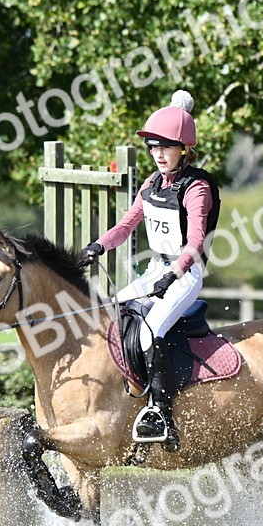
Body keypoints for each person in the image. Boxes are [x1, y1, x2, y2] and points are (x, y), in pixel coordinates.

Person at [76, 89, 221, 450]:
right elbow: (125, 227)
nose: (157, 154)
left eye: (165, 146)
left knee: (149, 331)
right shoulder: (151, 185)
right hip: (157, 269)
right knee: (112, 313)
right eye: (153, 147)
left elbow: (196, 241)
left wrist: (173, 276)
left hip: (185, 274)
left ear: (184, 149)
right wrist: (95, 247)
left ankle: (162, 415)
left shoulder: (197, 187)